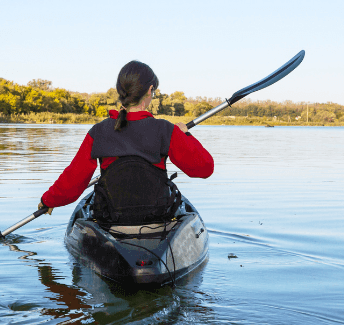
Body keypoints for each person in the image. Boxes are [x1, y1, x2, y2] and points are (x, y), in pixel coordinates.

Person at [39, 60, 214, 224]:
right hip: (156, 217)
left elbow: (74, 178)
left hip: (111, 218)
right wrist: (186, 135)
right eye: (154, 92)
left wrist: (48, 200)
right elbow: (205, 168)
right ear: (150, 89)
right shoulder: (166, 130)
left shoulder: (98, 132)